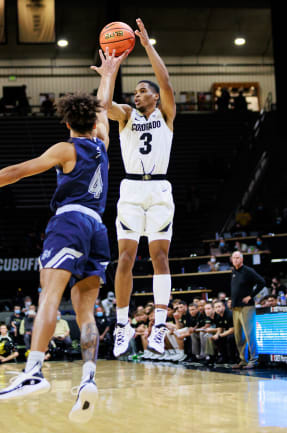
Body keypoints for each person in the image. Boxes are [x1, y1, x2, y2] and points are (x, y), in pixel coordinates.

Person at [0, 47, 126, 423]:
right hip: (98, 228)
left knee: (49, 297)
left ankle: (34, 371)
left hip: (70, 221)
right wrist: (108, 73)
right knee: (85, 311)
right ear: (92, 120)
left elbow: (18, 170)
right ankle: (88, 377)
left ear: (67, 122)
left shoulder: (66, 147)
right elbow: (104, 109)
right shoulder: (103, 143)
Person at [108, 19, 177, 359]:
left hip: (160, 189)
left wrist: (147, 46)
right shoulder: (125, 116)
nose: (137, 94)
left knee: (159, 257)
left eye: (142, 90)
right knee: (126, 257)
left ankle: (160, 325)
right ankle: (123, 325)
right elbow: (105, 107)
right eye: (134, 91)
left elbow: (165, 81)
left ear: (153, 95)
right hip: (132, 190)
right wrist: (110, 71)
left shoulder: (165, 114)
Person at [229, 251, 265, 369]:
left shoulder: (248, 271)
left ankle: (254, 359)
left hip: (247, 307)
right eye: (234, 258)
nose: (236, 260)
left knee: (250, 334)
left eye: (238, 257)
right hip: (236, 307)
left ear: (242, 259)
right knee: (239, 336)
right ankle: (243, 360)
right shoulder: (233, 272)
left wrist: (251, 295)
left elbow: (262, 282)